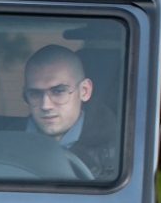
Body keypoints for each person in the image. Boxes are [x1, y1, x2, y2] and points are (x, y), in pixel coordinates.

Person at [22, 44, 117, 179]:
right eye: (35, 93)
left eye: (58, 91)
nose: (46, 105)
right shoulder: (1, 145)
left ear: (84, 91)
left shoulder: (121, 153)